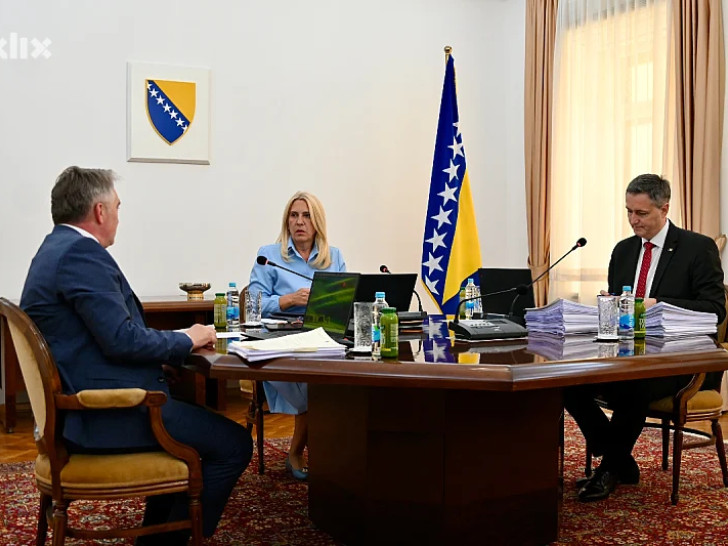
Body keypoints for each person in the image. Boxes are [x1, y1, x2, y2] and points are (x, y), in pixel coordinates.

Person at [20, 166, 253, 545]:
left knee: (196, 424)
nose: (118, 215)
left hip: (80, 408)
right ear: (99, 211)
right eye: (117, 207)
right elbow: (121, 339)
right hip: (102, 416)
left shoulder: (53, 249)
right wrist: (188, 338)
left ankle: (156, 539)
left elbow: (96, 339)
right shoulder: (81, 254)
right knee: (234, 444)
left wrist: (159, 358)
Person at [565, 173, 726, 502]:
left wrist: (657, 304)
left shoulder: (697, 248)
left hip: (680, 362)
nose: (633, 220)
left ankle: (609, 468)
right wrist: (610, 304)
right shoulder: (624, 251)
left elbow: (715, 309)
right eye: (629, 212)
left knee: (633, 386)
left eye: (641, 213)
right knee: (568, 382)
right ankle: (619, 458)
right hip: (627, 354)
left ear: (664, 209)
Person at [248, 191, 346, 480]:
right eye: (294, 215)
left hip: (321, 335)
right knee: (313, 384)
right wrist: (288, 300)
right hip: (278, 340)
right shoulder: (269, 256)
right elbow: (253, 302)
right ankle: (297, 451)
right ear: (287, 221)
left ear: (317, 222)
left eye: (306, 216)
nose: (299, 222)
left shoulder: (333, 256)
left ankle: (330, 444)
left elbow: (344, 300)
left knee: (344, 371)